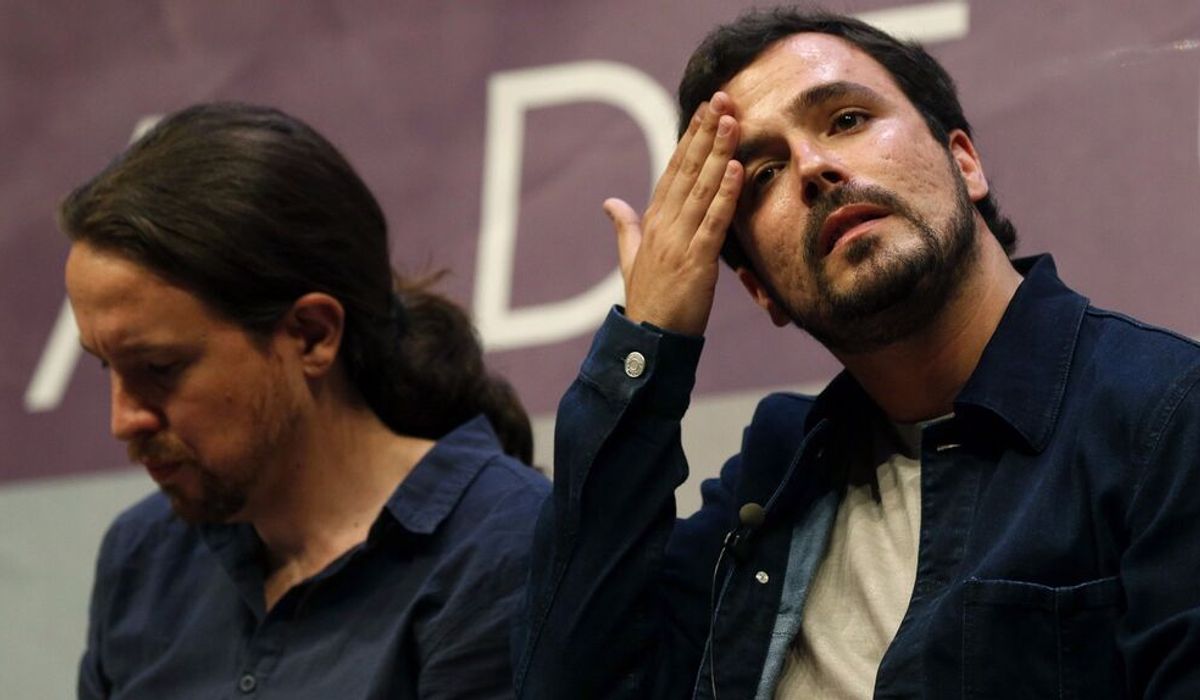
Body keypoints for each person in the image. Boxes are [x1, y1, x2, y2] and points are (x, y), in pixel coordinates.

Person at [515, 8, 1200, 698]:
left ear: (964, 162)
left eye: (846, 119)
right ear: (761, 290)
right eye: (765, 175)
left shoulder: (1166, 417)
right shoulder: (770, 482)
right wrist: (650, 342)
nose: (813, 168)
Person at [63, 102, 549, 699]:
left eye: (160, 368)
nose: (123, 420)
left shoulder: (500, 550)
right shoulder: (143, 557)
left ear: (312, 336)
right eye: (106, 366)